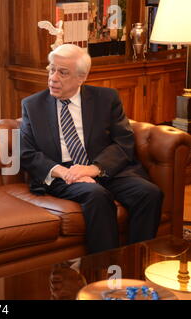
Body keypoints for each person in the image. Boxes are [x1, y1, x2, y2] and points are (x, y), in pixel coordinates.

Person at [20, 44, 162, 254]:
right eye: (51, 69)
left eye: (63, 72)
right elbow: (27, 153)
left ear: (81, 77)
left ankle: (136, 262)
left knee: (150, 193)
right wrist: (67, 173)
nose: (53, 77)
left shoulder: (106, 99)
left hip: (105, 168)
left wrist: (94, 169)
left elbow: (124, 141)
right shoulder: (33, 105)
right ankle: (107, 270)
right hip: (62, 174)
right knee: (96, 194)